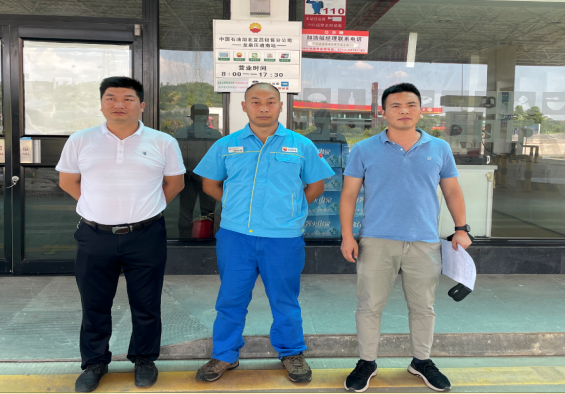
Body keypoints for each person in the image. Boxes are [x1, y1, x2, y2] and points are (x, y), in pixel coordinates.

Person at [193, 83, 334, 383]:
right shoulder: (226, 144)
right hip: (236, 237)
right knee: (230, 299)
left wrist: (290, 209)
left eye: (270, 101)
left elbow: (317, 185)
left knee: (285, 300)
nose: (263, 107)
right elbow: (209, 184)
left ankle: (291, 352)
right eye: (255, 102)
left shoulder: (301, 145)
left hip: (283, 238)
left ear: (281, 106)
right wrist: (235, 205)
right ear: (244, 106)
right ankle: (224, 354)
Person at [339, 83, 471, 392]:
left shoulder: (439, 148)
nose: (404, 111)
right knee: (369, 305)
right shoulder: (364, 149)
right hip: (376, 240)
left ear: (420, 110)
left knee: (423, 306)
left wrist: (462, 228)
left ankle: (421, 361)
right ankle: (367, 361)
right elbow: (348, 195)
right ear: (383, 112)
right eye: (396, 105)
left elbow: (452, 190)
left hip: (424, 241)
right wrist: (347, 236)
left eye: (411, 105)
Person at [56, 76, 185, 392]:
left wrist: (146, 208)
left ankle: (144, 359)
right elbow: (68, 181)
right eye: (111, 98)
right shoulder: (81, 140)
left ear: (141, 105)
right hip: (95, 234)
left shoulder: (163, 142)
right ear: (101, 105)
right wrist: (97, 208)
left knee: (146, 302)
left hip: (146, 234)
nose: (119, 104)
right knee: (94, 303)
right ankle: (94, 362)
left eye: (127, 99)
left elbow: (175, 183)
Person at [174, 104, 222, 238]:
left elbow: (175, 159)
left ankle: (184, 238)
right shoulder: (216, 135)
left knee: (185, 210)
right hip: (210, 179)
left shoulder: (180, 134)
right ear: (207, 117)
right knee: (208, 211)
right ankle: (207, 236)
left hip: (187, 178)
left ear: (191, 117)